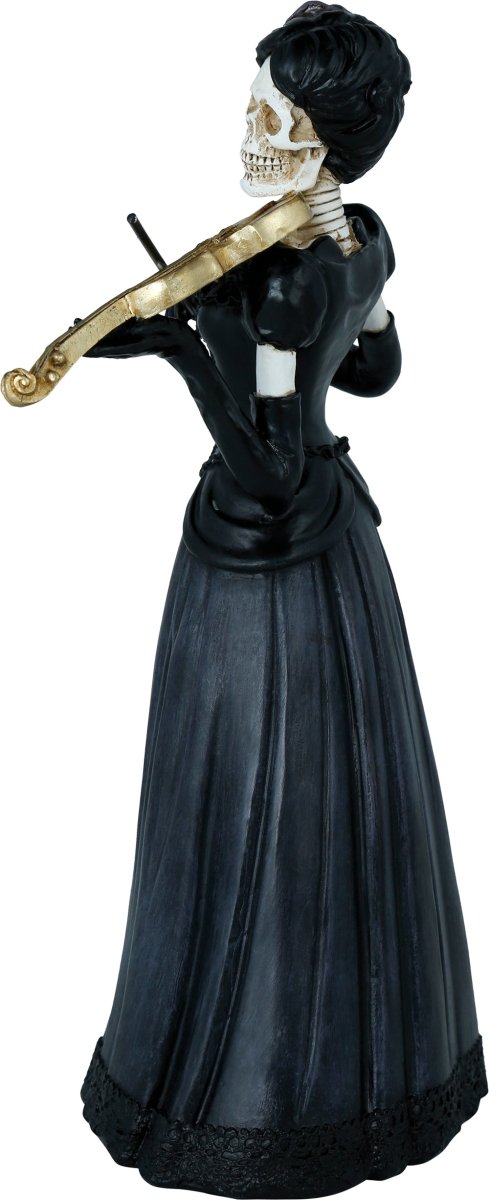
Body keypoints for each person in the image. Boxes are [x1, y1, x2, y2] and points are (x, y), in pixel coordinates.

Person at [80, 5, 487, 1196]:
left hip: (262, 573)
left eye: (274, 113)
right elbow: (379, 369)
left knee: (246, 798)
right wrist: (287, 324)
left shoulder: (279, 284)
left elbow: (266, 469)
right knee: (336, 803)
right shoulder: (363, 239)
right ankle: (380, 1064)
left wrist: (185, 350)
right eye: (254, 103)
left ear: (323, 135)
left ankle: (244, 1088)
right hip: (339, 560)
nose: (251, 129)